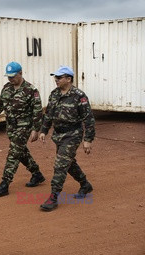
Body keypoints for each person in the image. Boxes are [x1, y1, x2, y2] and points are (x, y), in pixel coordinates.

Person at [39, 65, 95, 211]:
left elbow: (88, 119)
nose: (55, 80)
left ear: (68, 79)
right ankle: (85, 184)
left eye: (59, 77)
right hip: (58, 135)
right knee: (68, 163)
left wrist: (88, 139)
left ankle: (54, 197)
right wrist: (44, 130)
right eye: (55, 77)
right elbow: (49, 114)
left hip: (72, 135)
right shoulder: (54, 94)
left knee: (60, 165)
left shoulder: (79, 96)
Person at [0, 61, 45, 197]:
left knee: (13, 153)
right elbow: (0, 103)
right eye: (8, 77)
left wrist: (36, 129)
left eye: (13, 76)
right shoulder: (7, 88)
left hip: (24, 127)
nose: (10, 79)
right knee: (20, 151)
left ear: (20, 73)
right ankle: (36, 174)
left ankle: (4, 184)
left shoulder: (31, 90)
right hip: (11, 127)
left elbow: (37, 111)